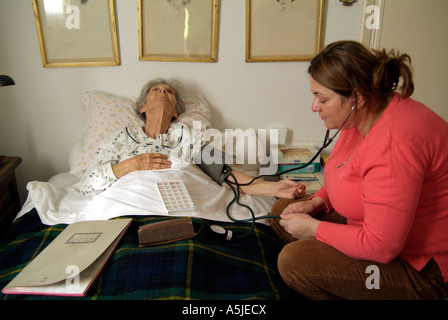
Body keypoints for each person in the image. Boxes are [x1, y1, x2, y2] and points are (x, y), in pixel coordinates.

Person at [270, 41, 448, 299]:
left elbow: (381, 247)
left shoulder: (393, 145)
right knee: (281, 213)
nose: (314, 107)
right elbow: (342, 171)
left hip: (421, 266)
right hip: (376, 229)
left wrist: (313, 229)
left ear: (357, 97)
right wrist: (317, 203)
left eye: (322, 98)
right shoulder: (364, 114)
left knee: (294, 262)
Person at [79, 78, 305, 199]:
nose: (162, 93)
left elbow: (223, 173)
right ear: (142, 107)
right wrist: (130, 165)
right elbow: (86, 184)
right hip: (127, 207)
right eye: (155, 90)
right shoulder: (119, 138)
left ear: (176, 112)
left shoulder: (186, 136)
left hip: (179, 207)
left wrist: (273, 189)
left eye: (169, 92)